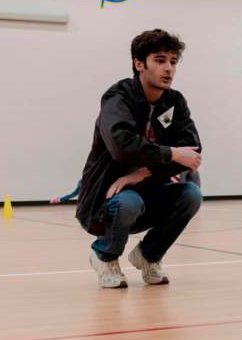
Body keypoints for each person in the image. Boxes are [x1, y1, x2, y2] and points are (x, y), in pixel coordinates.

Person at [76, 29, 202, 288]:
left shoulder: (175, 101)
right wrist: (170, 153)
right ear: (139, 63)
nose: (168, 68)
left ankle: (148, 256)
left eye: (173, 61)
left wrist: (142, 173)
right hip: (105, 200)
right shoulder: (117, 97)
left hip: (149, 191)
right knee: (129, 201)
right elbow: (122, 147)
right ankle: (104, 255)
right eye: (159, 60)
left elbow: (192, 151)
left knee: (191, 194)